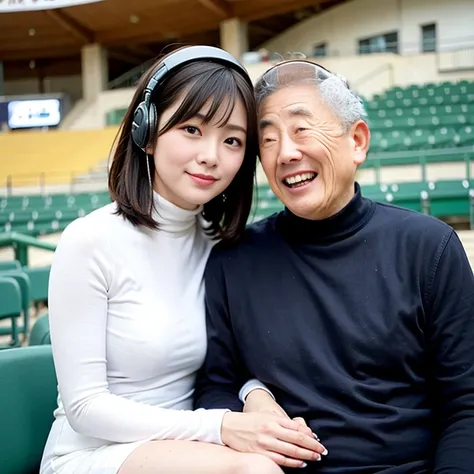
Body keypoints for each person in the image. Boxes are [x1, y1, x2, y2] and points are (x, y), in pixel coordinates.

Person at [39, 47, 326, 474]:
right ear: (147, 131)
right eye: (192, 129)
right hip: (93, 451)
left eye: (232, 140)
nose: (211, 155)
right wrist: (223, 427)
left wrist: (254, 396)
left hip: (192, 444)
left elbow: (226, 364)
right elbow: (85, 407)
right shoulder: (89, 241)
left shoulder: (220, 245)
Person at [194, 59, 474, 473]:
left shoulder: (429, 246)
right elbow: (215, 387)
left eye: (302, 129)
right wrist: (250, 402)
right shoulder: (232, 259)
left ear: (357, 141)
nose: (286, 153)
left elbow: (465, 406)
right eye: (267, 140)